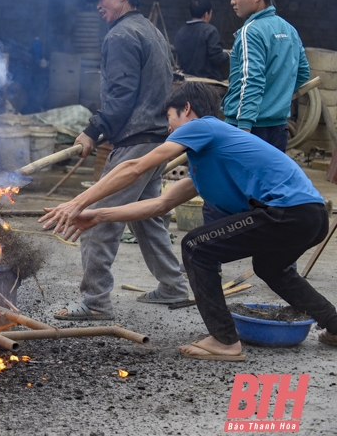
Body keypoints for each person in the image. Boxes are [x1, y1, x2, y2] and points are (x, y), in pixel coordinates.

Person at [41, 81, 337, 360]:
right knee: (271, 268)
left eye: (169, 117)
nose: (168, 127)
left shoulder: (203, 126)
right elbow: (159, 204)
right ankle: (335, 326)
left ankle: (224, 341)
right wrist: (96, 215)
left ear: (186, 109)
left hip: (288, 211)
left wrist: (77, 202)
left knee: (197, 247)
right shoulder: (209, 158)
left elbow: (134, 166)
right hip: (308, 217)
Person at [52, 0, 188, 321]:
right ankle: (173, 286)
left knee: (96, 218)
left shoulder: (121, 35)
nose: (98, 3)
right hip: (156, 139)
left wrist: (92, 131)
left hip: (137, 143)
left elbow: (121, 96)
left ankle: (95, 302)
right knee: (149, 217)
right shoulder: (152, 32)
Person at [222, 0, 309, 152]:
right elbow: (303, 73)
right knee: (268, 181)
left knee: (238, 181)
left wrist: (244, 128)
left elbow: (250, 80)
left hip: (247, 129)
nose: (232, 1)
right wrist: (276, 97)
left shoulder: (250, 32)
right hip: (278, 129)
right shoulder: (289, 30)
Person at [174, 0, 230, 80]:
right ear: (206, 14)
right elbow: (217, 58)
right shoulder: (210, 31)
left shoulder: (181, 32)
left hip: (187, 81)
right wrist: (228, 55)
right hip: (208, 83)